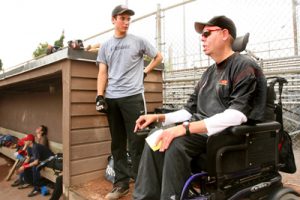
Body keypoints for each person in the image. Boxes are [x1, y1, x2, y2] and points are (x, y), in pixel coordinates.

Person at [132, 15, 267, 200]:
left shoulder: (244, 66)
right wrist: (158, 118)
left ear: (224, 34)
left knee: (174, 143)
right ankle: (144, 197)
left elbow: (237, 114)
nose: (202, 38)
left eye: (206, 33)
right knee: (155, 137)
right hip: (201, 132)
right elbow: (189, 110)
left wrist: (184, 128)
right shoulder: (208, 73)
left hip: (226, 134)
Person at [96, 4, 163, 200]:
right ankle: (121, 184)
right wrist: (100, 96)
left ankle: (143, 187)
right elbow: (102, 72)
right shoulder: (106, 46)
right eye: (122, 18)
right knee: (117, 143)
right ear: (113, 20)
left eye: (128, 19)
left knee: (137, 143)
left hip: (133, 97)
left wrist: (145, 71)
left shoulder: (138, 41)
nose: (126, 22)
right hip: (112, 99)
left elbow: (158, 56)